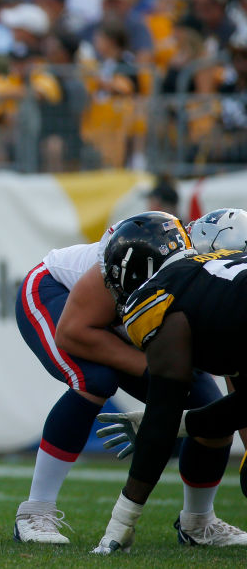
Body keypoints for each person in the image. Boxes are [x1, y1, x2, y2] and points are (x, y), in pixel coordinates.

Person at [13, 212, 246, 546]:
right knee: (95, 380)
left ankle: (198, 521)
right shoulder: (148, 255)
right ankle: (35, 510)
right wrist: (155, 377)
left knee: (208, 407)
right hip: (59, 298)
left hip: (130, 321)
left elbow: (236, 385)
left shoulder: (215, 290)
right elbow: (72, 331)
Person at [91, 224, 247, 554]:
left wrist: (122, 520)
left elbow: (164, 409)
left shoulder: (161, 295)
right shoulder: (219, 272)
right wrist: (183, 426)